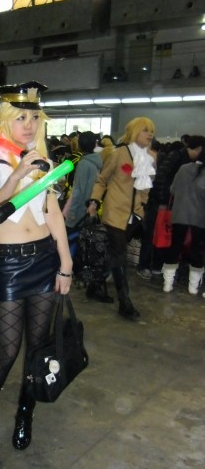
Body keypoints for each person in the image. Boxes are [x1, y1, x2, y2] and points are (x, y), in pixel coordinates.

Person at [0, 81, 73, 451]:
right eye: (21, 118)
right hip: (8, 263)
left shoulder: (42, 158)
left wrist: (66, 262)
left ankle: (26, 414)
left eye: (34, 118)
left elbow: (52, 212)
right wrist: (17, 173)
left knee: (37, 349)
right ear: (5, 119)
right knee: (7, 350)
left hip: (44, 258)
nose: (29, 125)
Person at [87, 117, 156, 320]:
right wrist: (94, 201)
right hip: (115, 213)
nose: (150, 134)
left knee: (112, 255)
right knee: (120, 258)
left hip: (135, 216)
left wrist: (143, 206)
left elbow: (146, 187)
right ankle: (125, 303)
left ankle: (94, 286)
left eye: (151, 130)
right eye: (145, 130)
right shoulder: (118, 154)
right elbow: (101, 180)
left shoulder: (150, 157)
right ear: (134, 132)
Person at [137, 135, 203, 279]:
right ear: (198, 149)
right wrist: (162, 201)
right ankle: (144, 266)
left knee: (163, 236)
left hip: (170, 204)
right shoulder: (177, 157)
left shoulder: (187, 161)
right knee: (152, 235)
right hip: (160, 202)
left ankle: (157, 266)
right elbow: (161, 177)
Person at [64, 131, 113, 303]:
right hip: (94, 208)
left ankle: (72, 273)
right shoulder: (99, 161)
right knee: (90, 246)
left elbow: (78, 191)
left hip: (81, 210)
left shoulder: (84, 163)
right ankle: (92, 279)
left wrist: (69, 212)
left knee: (72, 243)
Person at [160, 137, 205, 294]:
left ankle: (167, 284)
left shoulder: (183, 169)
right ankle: (193, 287)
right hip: (200, 218)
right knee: (197, 250)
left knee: (174, 247)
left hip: (179, 215)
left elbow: (172, 189)